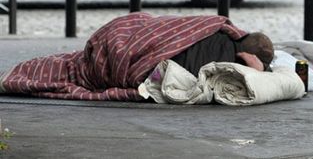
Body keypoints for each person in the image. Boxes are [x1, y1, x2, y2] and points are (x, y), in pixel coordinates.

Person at [0, 12, 274, 101]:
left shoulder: (222, 34)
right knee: (72, 67)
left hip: (130, 45)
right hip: (125, 44)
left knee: (69, 65)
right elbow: (172, 31)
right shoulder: (225, 49)